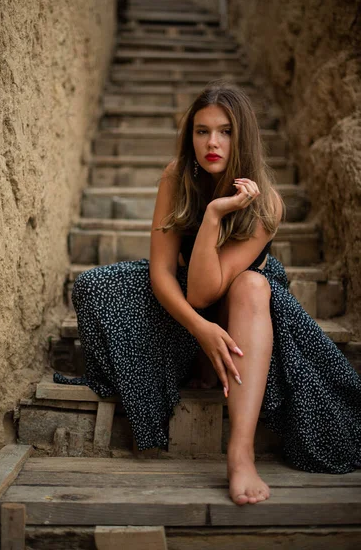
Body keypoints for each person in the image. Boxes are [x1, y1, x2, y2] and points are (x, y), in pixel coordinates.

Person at [54, 79, 361, 506]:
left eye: (225, 131)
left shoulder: (267, 202)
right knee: (92, 286)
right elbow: (164, 275)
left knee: (253, 285)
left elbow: (207, 289)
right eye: (202, 131)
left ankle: (241, 454)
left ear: (243, 136)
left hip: (242, 311)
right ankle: (185, 362)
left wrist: (216, 216)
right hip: (188, 309)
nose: (212, 142)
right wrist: (199, 328)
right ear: (190, 135)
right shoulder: (176, 177)